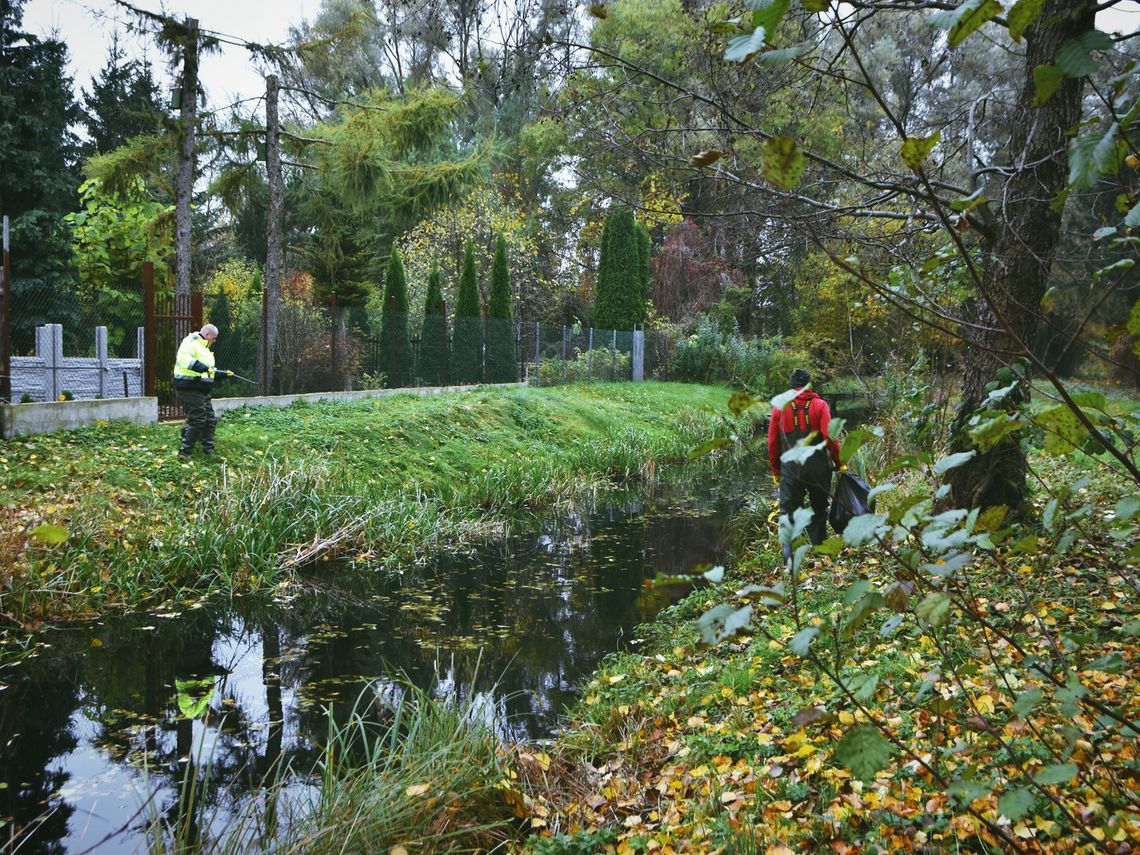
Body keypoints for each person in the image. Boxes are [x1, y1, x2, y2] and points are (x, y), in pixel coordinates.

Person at [768, 368, 843, 551]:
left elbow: (772, 443)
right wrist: (840, 462)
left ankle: (790, 558)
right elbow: (830, 437)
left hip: (791, 469)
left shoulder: (779, 408)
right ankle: (820, 552)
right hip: (818, 468)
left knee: (788, 514)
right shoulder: (820, 405)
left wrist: (776, 470)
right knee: (819, 510)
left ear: (791, 385)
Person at [173, 323, 232, 458]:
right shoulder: (190, 343)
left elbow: (208, 371)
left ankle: (208, 450)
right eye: (214, 338)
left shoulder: (205, 349)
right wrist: (204, 368)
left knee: (210, 419)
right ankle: (185, 452)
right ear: (207, 335)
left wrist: (222, 373)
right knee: (198, 419)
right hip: (189, 388)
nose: (215, 341)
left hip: (201, 390)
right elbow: (184, 360)